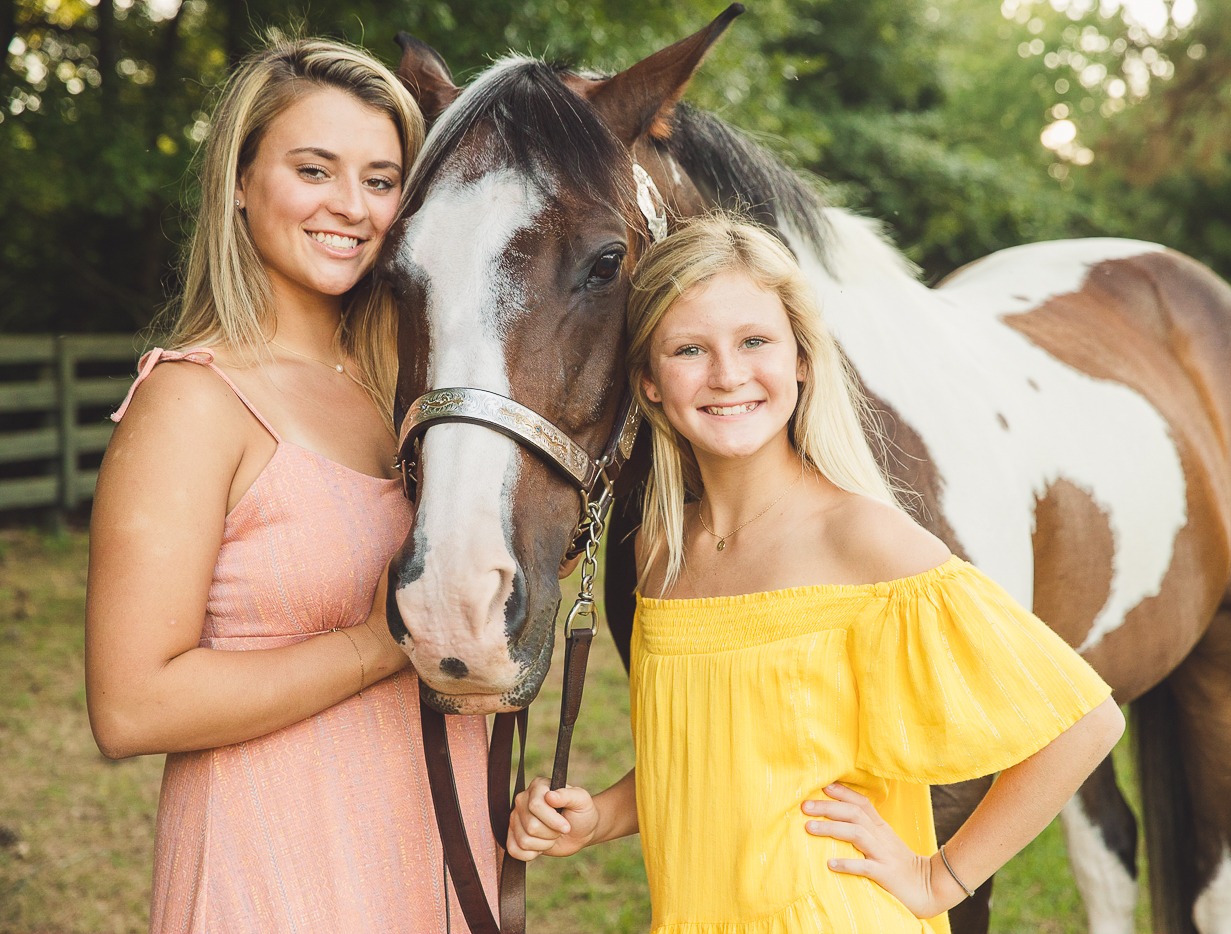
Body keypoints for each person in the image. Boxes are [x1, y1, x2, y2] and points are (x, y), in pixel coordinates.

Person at [506, 215, 1126, 933]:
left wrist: (938, 879)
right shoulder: (659, 551)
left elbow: (1084, 723)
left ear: (801, 358)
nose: (728, 374)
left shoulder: (857, 535)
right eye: (689, 349)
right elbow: (716, 755)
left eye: (755, 341)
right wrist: (599, 816)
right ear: (647, 381)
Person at [85, 37, 498, 932]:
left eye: (382, 180)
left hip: (433, 850)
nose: (350, 206)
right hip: (278, 867)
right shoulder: (195, 400)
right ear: (240, 181)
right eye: (315, 169)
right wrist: (379, 642)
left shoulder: (411, 397)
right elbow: (129, 704)